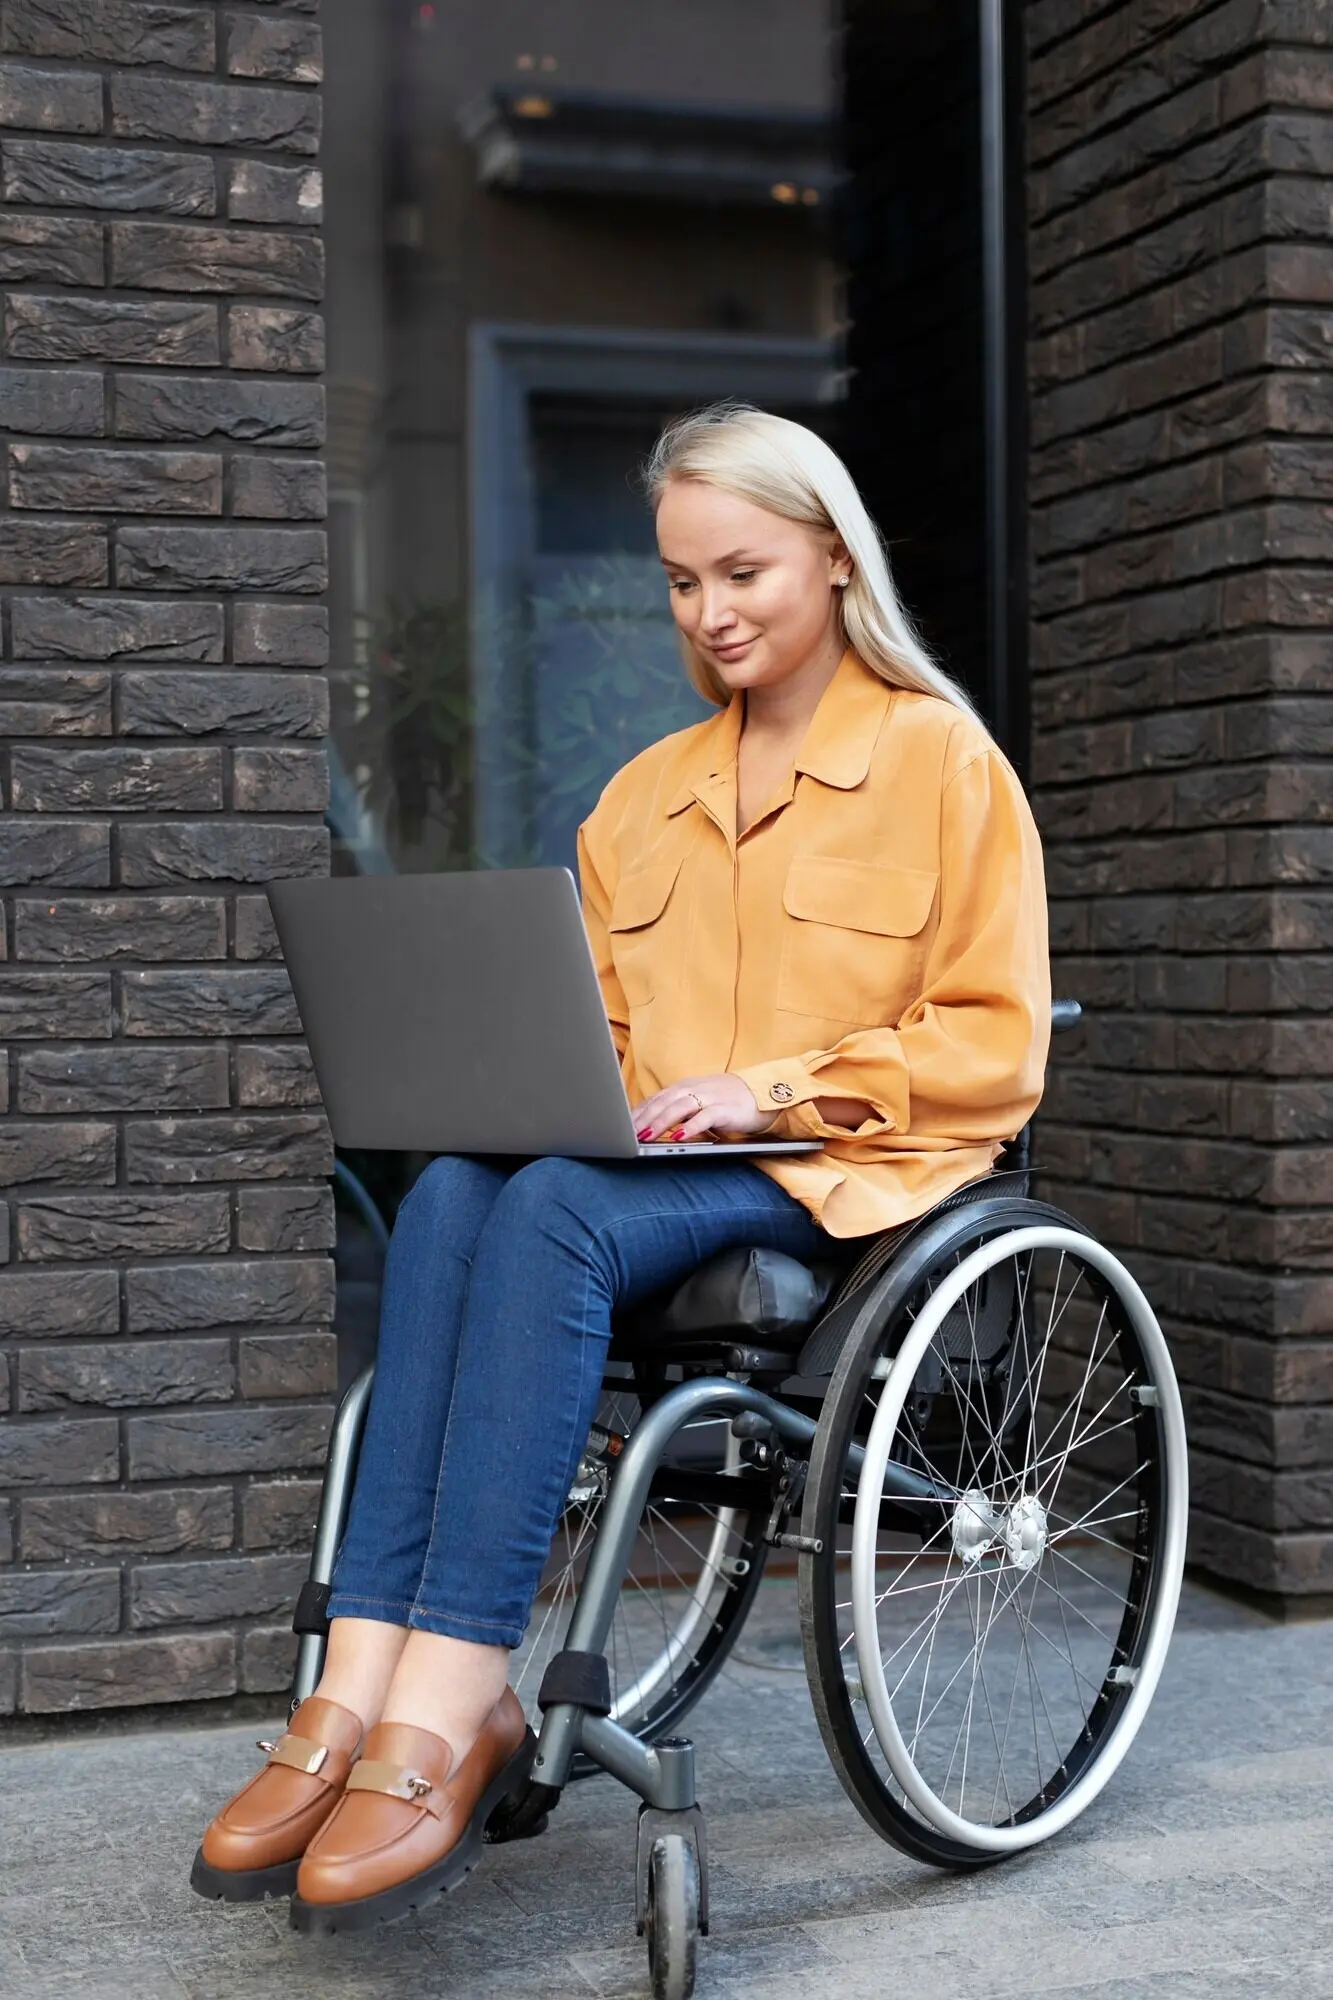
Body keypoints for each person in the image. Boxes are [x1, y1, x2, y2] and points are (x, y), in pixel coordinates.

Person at [191, 402, 1050, 1930]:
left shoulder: (941, 764)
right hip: (643, 1170)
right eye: (681, 581)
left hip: (838, 1168)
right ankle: (356, 1683)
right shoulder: (643, 802)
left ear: (834, 559)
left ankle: (450, 1698)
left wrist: (764, 1088)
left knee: (550, 1215)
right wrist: (538, 1086)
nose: (710, 612)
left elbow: (994, 1040)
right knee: (455, 1190)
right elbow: (592, 1032)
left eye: (743, 572)